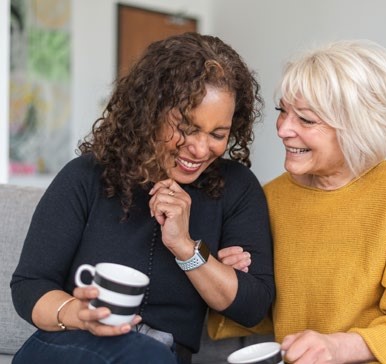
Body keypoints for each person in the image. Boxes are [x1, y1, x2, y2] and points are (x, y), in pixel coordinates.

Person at [10, 32, 274, 364]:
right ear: (150, 112)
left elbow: (252, 305)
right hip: (69, 345)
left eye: (218, 134)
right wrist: (76, 314)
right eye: (187, 128)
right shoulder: (87, 176)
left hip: (157, 356)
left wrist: (188, 250)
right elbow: (30, 284)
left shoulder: (236, 189)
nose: (201, 148)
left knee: (148, 354)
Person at [223, 40, 386, 363]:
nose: (283, 129)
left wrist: (337, 347)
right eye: (282, 112)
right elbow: (261, 312)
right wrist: (230, 278)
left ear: (358, 129)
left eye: (305, 119)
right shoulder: (271, 196)